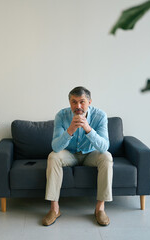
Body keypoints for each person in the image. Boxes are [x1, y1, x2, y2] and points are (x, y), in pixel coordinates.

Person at [42, 86, 113, 226]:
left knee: (107, 156)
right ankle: (54, 209)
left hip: (90, 154)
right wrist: (70, 130)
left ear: (89, 102)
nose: (78, 106)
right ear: (69, 102)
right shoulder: (61, 116)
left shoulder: (100, 116)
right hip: (70, 154)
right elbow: (55, 147)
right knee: (53, 156)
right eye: (74, 102)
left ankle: (100, 208)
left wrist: (88, 129)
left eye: (82, 102)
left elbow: (104, 147)